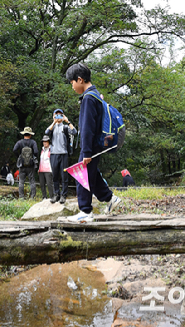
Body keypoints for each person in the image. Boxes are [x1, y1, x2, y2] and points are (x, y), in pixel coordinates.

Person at [64, 63, 122, 223]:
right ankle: (110, 199)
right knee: (91, 175)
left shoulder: (89, 98)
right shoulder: (95, 95)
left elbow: (87, 127)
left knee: (81, 175)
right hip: (97, 144)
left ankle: (85, 211)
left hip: (90, 145)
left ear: (80, 80)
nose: (72, 87)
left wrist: (87, 151)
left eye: (72, 83)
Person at [45, 108, 78, 204]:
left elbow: (74, 132)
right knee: (55, 175)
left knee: (64, 176)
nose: (58, 117)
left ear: (63, 116)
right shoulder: (52, 127)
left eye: (60, 115)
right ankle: (56, 194)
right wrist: (54, 122)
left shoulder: (65, 127)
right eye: (57, 115)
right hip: (54, 154)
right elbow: (46, 133)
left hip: (63, 154)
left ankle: (64, 195)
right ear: (54, 116)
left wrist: (68, 121)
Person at [13, 127, 39, 199]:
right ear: (30, 135)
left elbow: (14, 149)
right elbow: (36, 151)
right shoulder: (33, 142)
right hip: (30, 165)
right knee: (32, 181)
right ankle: (32, 197)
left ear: (24, 134)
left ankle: (21, 197)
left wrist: (19, 156)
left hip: (22, 164)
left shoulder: (19, 142)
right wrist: (33, 157)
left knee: (21, 182)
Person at [38, 135, 53, 200]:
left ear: (48, 142)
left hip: (49, 169)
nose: (44, 143)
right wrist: (39, 168)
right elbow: (41, 160)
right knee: (42, 184)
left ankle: (52, 197)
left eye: (46, 141)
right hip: (41, 169)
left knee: (49, 184)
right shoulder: (42, 150)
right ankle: (44, 197)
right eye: (43, 141)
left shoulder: (51, 149)